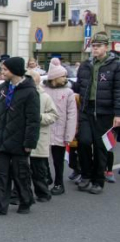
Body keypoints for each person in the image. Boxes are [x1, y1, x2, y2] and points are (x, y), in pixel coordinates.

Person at [0, 57, 40, 216]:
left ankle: (25, 200)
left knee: (20, 174)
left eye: (5, 69)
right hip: (3, 139)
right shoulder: (4, 87)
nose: (1, 72)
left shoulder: (30, 91)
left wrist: (29, 142)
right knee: (1, 174)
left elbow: (33, 120)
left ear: (15, 71)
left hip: (19, 141)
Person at [74, 32, 120, 195]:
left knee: (101, 147)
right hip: (87, 109)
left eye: (98, 46)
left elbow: (118, 91)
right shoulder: (86, 65)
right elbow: (79, 86)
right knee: (84, 142)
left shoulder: (115, 65)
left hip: (104, 112)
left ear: (106, 47)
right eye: (93, 46)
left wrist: (117, 114)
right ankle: (86, 175)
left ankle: (98, 180)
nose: (95, 49)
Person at [42, 59, 77, 195]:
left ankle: (59, 183)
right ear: (55, 77)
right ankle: (47, 177)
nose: (65, 78)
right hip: (45, 128)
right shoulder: (43, 90)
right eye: (63, 76)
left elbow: (72, 115)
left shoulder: (68, 92)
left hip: (60, 131)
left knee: (58, 160)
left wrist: (69, 135)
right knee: (42, 157)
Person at [27, 70, 58, 202]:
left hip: (40, 135)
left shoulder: (44, 97)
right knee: (21, 167)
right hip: (24, 135)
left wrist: (39, 117)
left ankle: (43, 192)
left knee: (38, 167)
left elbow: (54, 115)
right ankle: (21, 193)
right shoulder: (22, 94)